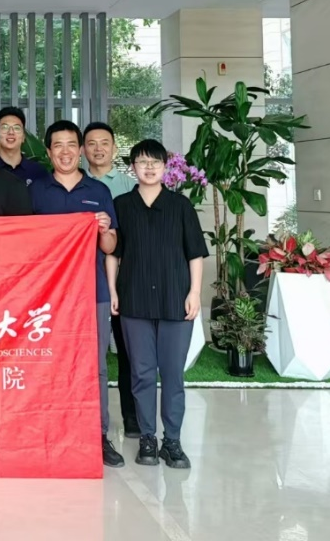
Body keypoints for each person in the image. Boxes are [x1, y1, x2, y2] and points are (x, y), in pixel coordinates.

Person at [29, 120, 123, 468]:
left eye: (72, 145)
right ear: (48, 151)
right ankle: (49, 432)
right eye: (58, 145)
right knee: (46, 362)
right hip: (46, 295)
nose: (65, 152)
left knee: (95, 366)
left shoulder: (98, 190)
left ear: (80, 150)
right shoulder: (35, 191)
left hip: (91, 291)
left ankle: (98, 435)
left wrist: (103, 229)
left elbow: (110, 245)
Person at [110, 140, 207, 470]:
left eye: (155, 162)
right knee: (141, 373)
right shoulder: (122, 205)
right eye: (142, 162)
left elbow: (195, 254)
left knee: (173, 374)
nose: (149, 168)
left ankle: (173, 442)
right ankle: (148, 438)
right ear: (132, 167)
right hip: (134, 300)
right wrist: (113, 290)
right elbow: (113, 254)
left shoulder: (180, 206)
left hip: (175, 300)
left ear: (165, 167)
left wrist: (194, 292)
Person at [83, 121, 139, 438]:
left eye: (104, 142)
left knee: (128, 348)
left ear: (115, 148)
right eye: (91, 143)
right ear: (83, 149)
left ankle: (131, 416)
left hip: (124, 277)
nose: (98, 149)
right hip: (86, 281)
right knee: (90, 353)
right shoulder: (77, 184)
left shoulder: (129, 186)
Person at [0, 107, 50, 186]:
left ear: (23, 136)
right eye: (5, 127)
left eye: (16, 128)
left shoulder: (38, 171)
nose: (11, 132)